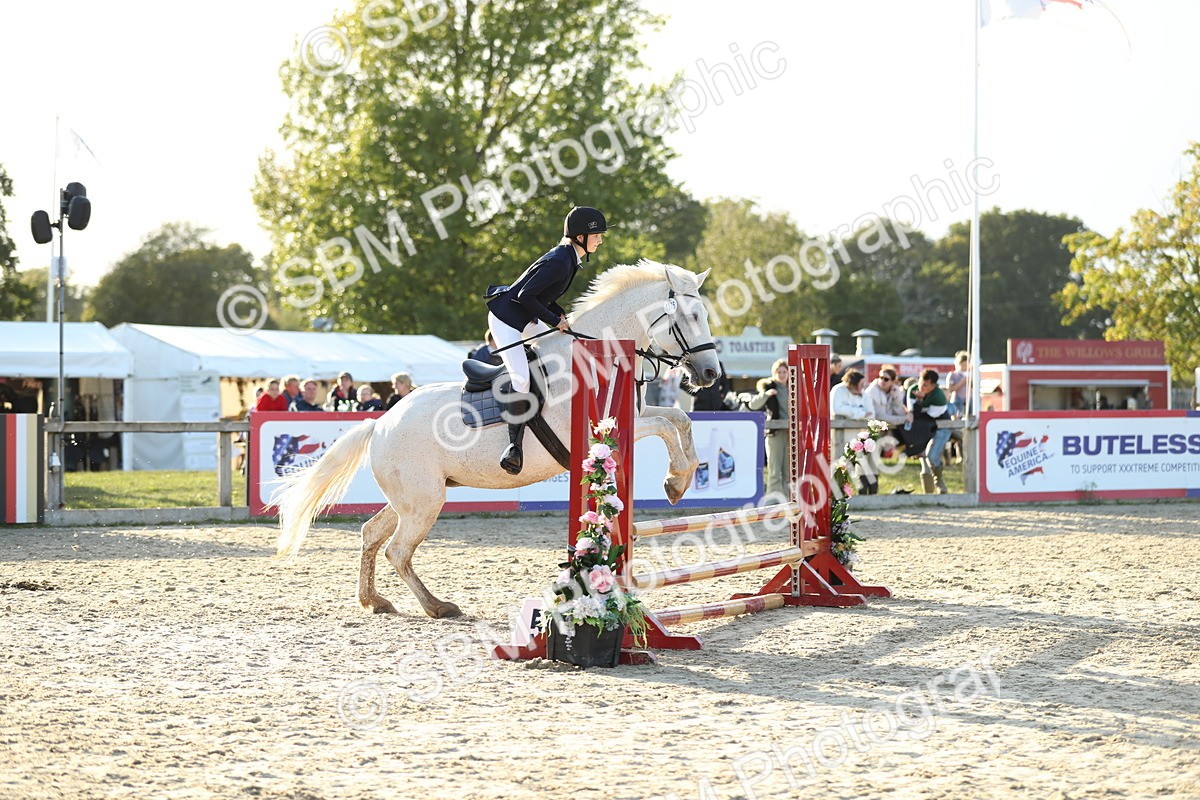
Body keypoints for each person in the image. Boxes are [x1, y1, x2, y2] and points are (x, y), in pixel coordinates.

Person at [484, 205, 608, 475]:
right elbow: (525, 297)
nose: (600, 239)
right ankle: (513, 448)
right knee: (521, 379)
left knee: (563, 343)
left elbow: (543, 297)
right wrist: (554, 321)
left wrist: (560, 315)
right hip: (506, 320)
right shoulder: (560, 261)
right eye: (596, 235)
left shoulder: (569, 257)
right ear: (579, 237)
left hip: (524, 315)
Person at [747, 358, 790, 501]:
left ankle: (788, 499)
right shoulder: (768, 387)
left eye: (784, 371)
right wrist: (766, 395)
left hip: (791, 433)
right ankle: (773, 500)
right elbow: (753, 405)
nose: (782, 374)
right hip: (774, 433)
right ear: (774, 373)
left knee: (788, 470)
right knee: (774, 469)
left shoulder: (795, 389)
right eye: (779, 372)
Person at [830, 370, 877, 492]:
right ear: (853, 383)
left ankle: (863, 492)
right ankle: (836, 493)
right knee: (839, 464)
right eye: (861, 384)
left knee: (860, 466)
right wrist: (860, 413)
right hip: (840, 437)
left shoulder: (864, 394)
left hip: (858, 437)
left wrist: (851, 413)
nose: (863, 387)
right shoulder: (838, 390)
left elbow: (871, 413)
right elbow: (837, 409)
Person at [907, 369, 951, 494]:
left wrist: (919, 401)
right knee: (923, 458)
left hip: (940, 427)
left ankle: (939, 482)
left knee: (931, 455)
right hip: (923, 427)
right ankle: (929, 494)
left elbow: (925, 417)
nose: (921, 387)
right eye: (921, 382)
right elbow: (913, 413)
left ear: (933, 386)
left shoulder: (939, 397)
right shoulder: (912, 390)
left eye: (926, 385)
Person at [945, 351, 970, 418]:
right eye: (963, 365)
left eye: (966, 365)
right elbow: (950, 389)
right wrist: (962, 382)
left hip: (968, 400)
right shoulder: (953, 375)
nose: (964, 367)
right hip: (957, 401)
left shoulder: (970, 375)